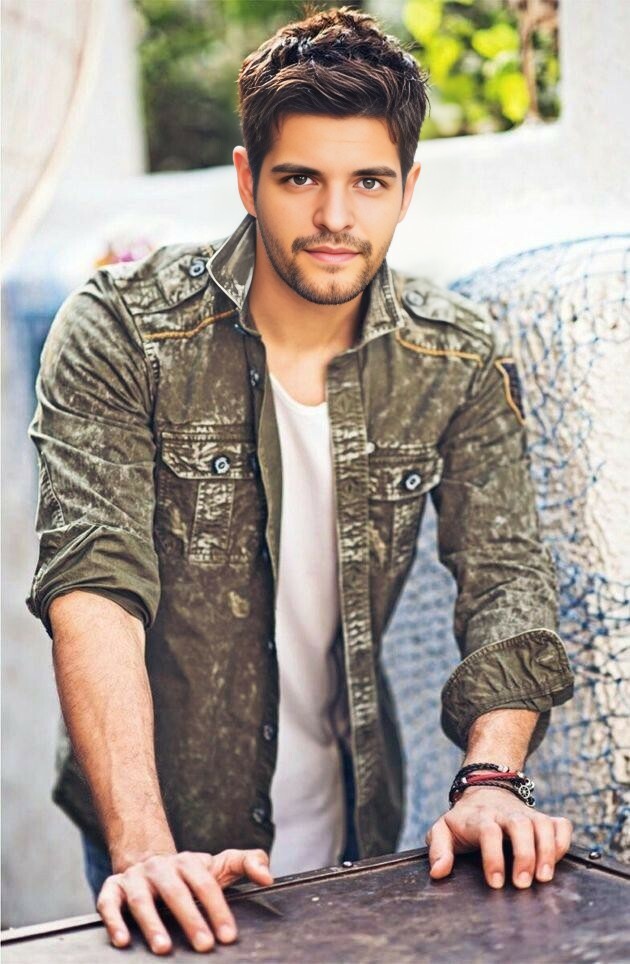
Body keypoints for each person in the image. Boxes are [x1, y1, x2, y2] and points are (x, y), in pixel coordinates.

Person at [27, 6, 574, 957]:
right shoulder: (123, 332)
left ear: (407, 189)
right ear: (248, 180)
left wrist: (492, 780)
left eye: (369, 181)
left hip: (360, 831)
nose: (334, 218)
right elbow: (93, 582)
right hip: (160, 835)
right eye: (300, 179)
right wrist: (144, 849)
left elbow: (506, 578)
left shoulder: (454, 358)